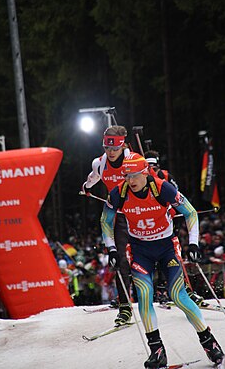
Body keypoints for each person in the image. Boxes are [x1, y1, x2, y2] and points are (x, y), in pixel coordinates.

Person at [100, 152, 224, 368]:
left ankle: (209, 342)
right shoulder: (119, 192)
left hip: (167, 247)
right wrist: (111, 248)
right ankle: (157, 350)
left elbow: (191, 212)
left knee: (178, 296)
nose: (130, 180)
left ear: (145, 172)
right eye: (126, 175)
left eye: (134, 175)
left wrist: (193, 243)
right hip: (140, 250)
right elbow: (105, 220)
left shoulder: (161, 188)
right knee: (145, 294)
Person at [81, 125, 132, 326]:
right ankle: (125, 307)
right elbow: (93, 178)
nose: (110, 153)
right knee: (120, 260)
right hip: (118, 216)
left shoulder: (132, 161)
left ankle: (172, 290)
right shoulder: (100, 163)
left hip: (139, 213)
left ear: (123, 146)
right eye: (107, 148)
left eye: (115, 149)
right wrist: (86, 188)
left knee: (155, 252)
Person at [145, 150, 204, 306]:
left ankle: (181, 289)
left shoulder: (165, 177)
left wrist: (179, 211)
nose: (152, 169)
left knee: (173, 256)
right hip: (149, 224)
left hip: (168, 221)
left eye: (154, 166)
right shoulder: (140, 178)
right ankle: (160, 290)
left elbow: (177, 195)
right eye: (149, 166)